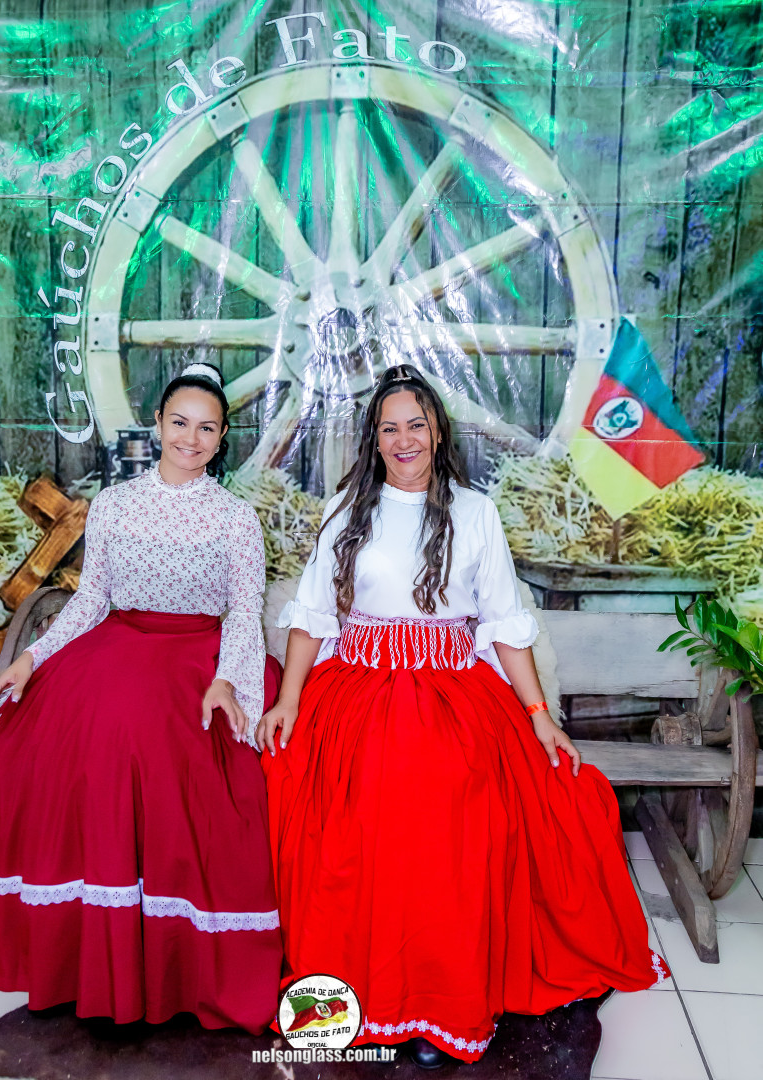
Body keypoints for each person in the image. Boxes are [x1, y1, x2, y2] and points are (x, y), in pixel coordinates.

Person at [258, 364, 668, 1067]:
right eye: (389, 428)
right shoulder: (345, 510)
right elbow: (314, 614)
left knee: (464, 798)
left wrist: (537, 713)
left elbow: (505, 622)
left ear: (439, 431)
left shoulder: (475, 512)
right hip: (358, 685)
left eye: (416, 425)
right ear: (374, 439)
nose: (404, 439)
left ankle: (440, 997)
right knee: (316, 788)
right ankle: (362, 988)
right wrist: (289, 699)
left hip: (453, 690)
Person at [0, 363, 283, 1033]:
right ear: (157, 423)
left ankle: (175, 956)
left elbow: (243, 610)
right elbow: (91, 600)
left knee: (180, 751)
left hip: (199, 654)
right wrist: (28, 659)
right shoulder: (115, 504)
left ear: (222, 436)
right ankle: (73, 949)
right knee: (50, 733)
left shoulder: (236, 518)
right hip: (117, 645)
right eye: (180, 423)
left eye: (207, 428)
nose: (191, 438)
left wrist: (226, 681)